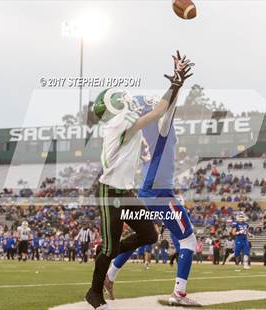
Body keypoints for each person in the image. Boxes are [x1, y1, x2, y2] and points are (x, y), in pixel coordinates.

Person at [85, 51, 193, 310]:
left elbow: (159, 111)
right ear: (116, 107)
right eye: (123, 99)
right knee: (110, 248)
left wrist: (176, 84)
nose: (129, 100)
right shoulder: (121, 124)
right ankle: (94, 293)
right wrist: (175, 84)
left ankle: (108, 256)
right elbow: (158, 111)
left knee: (149, 234)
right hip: (110, 192)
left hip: (127, 192)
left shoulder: (123, 120)